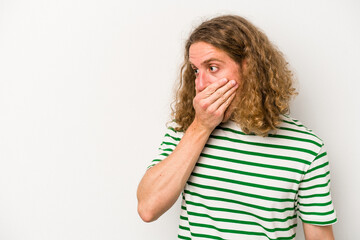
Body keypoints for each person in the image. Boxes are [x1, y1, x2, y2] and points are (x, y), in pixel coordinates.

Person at [137, 15, 337, 240]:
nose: (200, 85)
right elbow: (148, 208)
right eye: (196, 71)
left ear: (249, 68)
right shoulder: (187, 129)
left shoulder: (307, 148)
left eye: (212, 68)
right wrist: (201, 127)